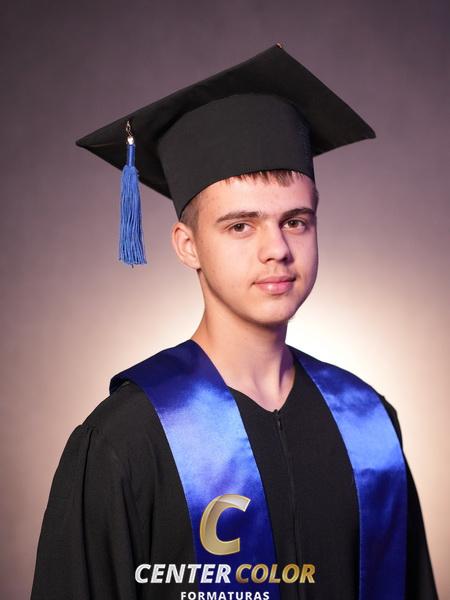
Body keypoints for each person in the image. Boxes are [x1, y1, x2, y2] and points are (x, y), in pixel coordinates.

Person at [30, 44, 438, 600]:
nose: (277, 249)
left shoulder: (369, 425)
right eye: (240, 226)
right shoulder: (126, 440)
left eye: (295, 221)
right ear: (188, 245)